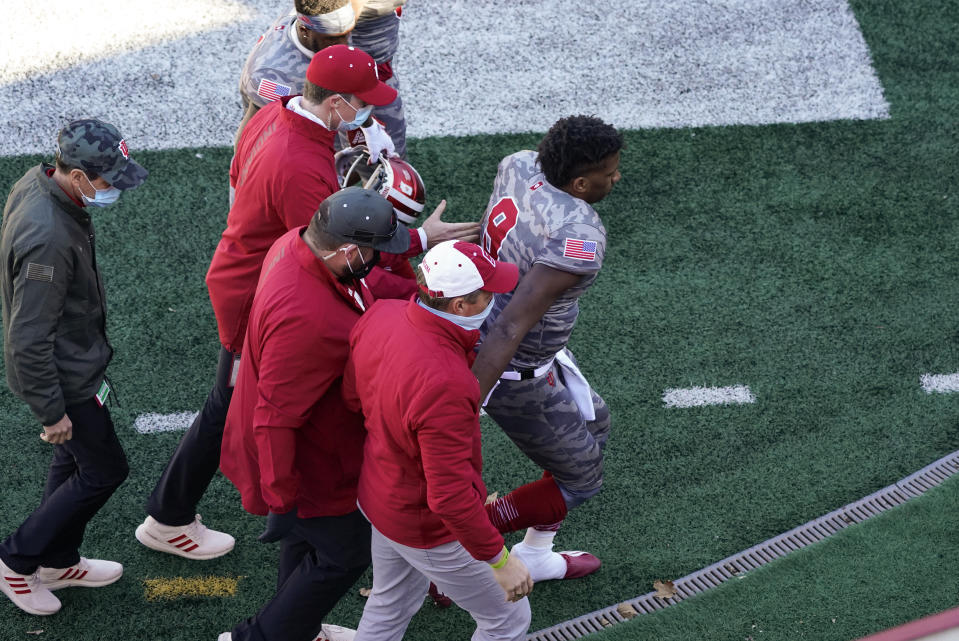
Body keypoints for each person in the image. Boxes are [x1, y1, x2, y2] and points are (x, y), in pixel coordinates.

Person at [137, 44, 475, 559]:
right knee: (247, 404)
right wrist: (418, 240)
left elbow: (246, 178)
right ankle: (175, 515)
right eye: (362, 102)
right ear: (336, 102)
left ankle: (170, 512)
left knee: (230, 400)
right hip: (262, 294)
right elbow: (338, 249)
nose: (371, 112)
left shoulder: (277, 112)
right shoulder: (300, 165)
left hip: (249, 275)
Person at [218, 187, 406, 641]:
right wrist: (281, 495)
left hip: (309, 453)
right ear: (347, 250)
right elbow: (276, 417)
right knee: (346, 553)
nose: (378, 260)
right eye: (373, 251)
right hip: (309, 461)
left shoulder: (296, 242)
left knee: (309, 543)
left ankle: (298, 631)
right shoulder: (307, 317)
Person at [344, 240, 537, 641]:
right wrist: (499, 560)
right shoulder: (445, 382)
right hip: (425, 524)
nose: (496, 299)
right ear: (460, 306)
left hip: (380, 497)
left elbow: (352, 396)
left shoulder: (383, 313)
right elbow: (448, 497)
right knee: (509, 619)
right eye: (488, 293)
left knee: (391, 603)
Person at [0, 119, 147, 615]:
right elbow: (27, 337)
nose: (113, 189)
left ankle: (58, 561)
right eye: (108, 179)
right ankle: (15, 561)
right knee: (106, 469)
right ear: (79, 175)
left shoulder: (41, 183)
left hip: (74, 363)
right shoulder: (49, 239)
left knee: (75, 461)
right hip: (66, 376)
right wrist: (50, 410)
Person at [472, 115, 624, 583]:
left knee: (595, 425)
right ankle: (470, 543)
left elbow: (483, 240)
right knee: (582, 478)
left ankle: (536, 551)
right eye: (609, 172)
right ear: (580, 182)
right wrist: (465, 400)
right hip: (511, 367)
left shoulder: (520, 163)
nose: (616, 178)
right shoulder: (579, 231)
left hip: (505, 339)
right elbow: (512, 325)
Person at [235, 0, 407, 158]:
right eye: (332, 39)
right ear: (304, 30)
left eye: (347, 34)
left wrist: (369, 126)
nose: (344, 46)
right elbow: (252, 137)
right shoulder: (273, 76)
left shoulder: (326, 21)